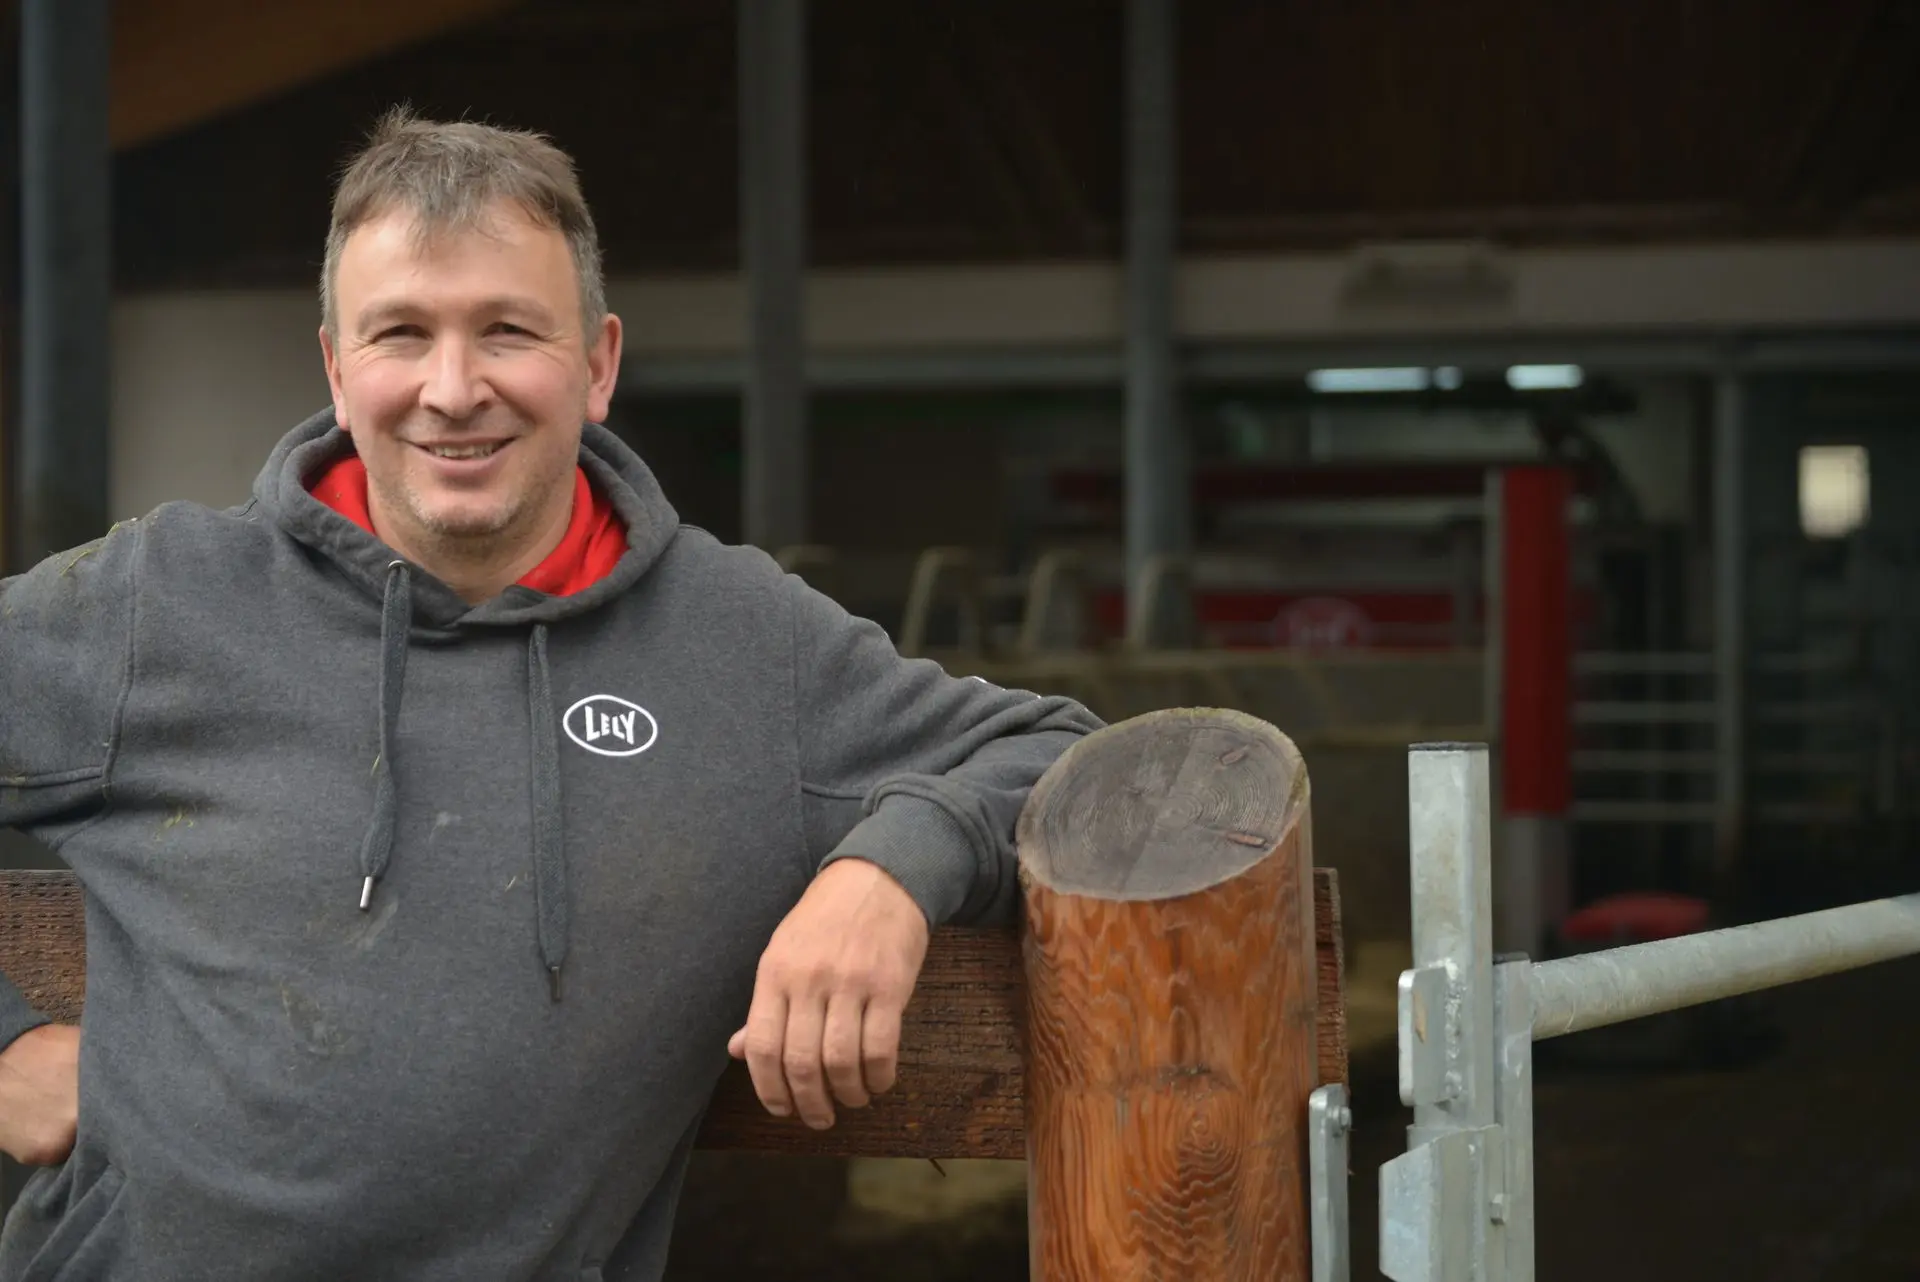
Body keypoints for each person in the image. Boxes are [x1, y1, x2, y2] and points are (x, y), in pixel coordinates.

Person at [0, 108, 1100, 1281]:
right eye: (401, 333)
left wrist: (889, 871)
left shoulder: (743, 644)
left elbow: (1073, 759)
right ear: (337, 370)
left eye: (507, 331)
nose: (452, 388)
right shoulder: (159, 604)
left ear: (599, 364)